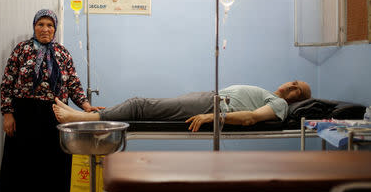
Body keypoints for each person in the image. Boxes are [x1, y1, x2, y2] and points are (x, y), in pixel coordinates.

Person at [0, 9, 103, 192]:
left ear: (55, 28)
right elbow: (7, 83)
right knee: (27, 167)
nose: (45, 29)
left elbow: (73, 83)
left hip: (56, 114)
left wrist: (86, 107)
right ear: (34, 26)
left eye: (50, 25)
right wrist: (8, 114)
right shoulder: (22, 49)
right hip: (25, 115)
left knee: (57, 166)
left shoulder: (62, 53)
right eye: (40, 24)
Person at [53, 81, 311, 132]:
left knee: (139, 105)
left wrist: (211, 117)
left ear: (296, 99)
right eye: (294, 82)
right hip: (210, 97)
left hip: (212, 104)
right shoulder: (271, 94)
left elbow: (251, 119)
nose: (290, 86)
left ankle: (79, 117)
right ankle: (97, 115)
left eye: (297, 89)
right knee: (140, 106)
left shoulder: (279, 104)